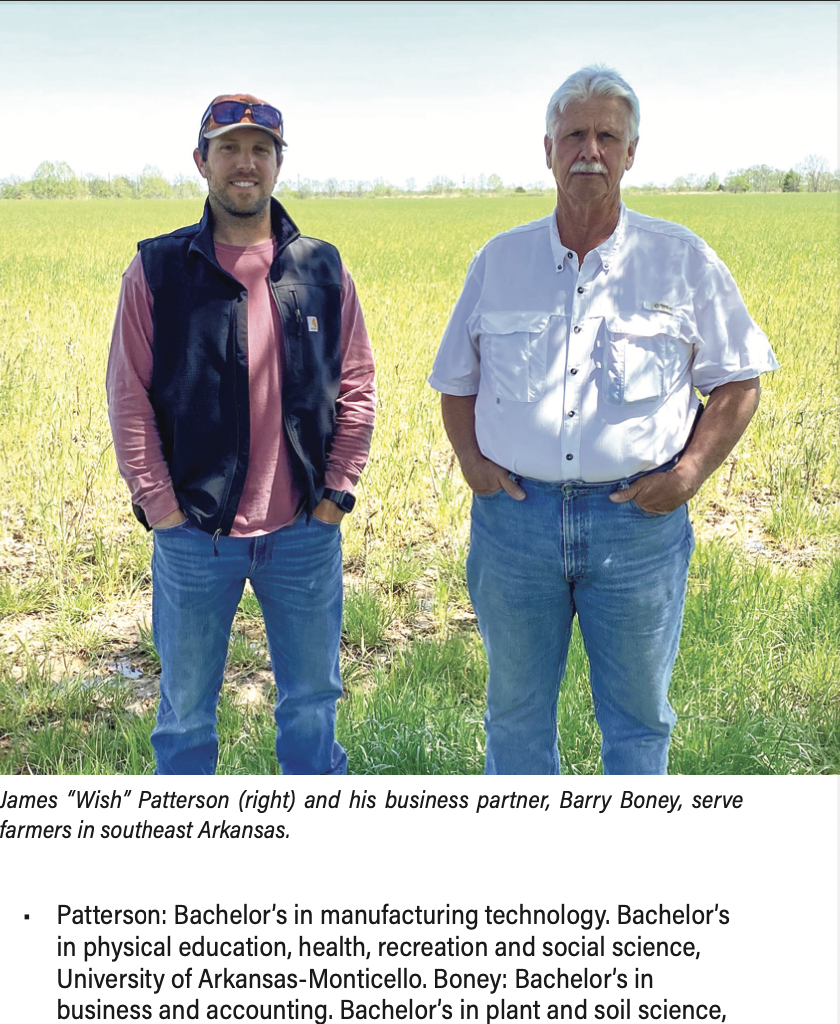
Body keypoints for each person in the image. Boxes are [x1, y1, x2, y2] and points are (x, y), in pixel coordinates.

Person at [429, 65, 778, 775]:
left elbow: (740, 380)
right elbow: (456, 383)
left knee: (639, 718)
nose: (589, 149)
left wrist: (686, 475)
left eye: (606, 136)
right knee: (516, 716)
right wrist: (474, 465)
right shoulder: (500, 261)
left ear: (631, 152)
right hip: (515, 527)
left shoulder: (680, 260)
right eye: (574, 135)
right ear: (548, 149)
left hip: (637, 528)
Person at [107, 94, 375, 775]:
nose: (244, 163)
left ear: (279, 164)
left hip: (302, 537)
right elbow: (128, 396)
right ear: (202, 162)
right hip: (196, 537)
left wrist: (334, 495)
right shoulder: (158, 271)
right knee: (186, 710)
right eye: (229, 148)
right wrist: (161, 509)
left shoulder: (321, 268)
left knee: (313, 701)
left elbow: (358, 384)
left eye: (260, 149)